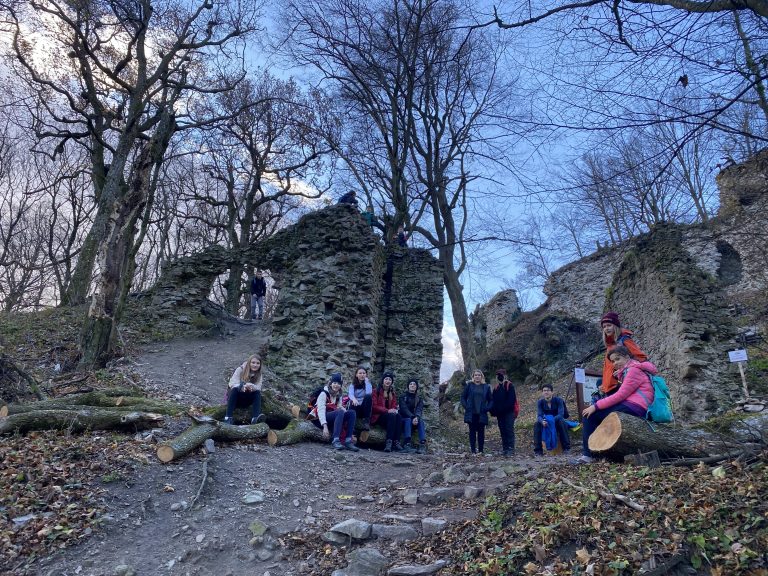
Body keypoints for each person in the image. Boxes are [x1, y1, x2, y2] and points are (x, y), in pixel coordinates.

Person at [578, 345, 656, 463]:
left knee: (590, 415)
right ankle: (599, 450)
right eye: (613, 361)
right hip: (635, 405)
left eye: (618, 359)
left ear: (627, 357)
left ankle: (588, 455)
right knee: (598, 416)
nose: (615, 363)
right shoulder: (631, 370)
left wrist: (595, 406)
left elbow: (620, 396)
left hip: (635, 406)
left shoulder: (633, 371)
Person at [600, 311, 647, 396]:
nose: (606, 328)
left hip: (620, 384)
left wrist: (624, 369)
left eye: (609, 325)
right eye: (604, 327)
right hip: (610, 388)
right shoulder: (610, 345)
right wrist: (604, 384)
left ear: (616, 326)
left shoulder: (624, 340)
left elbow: (641, 358)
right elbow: (608, 369)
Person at [315, 372, 359, 451]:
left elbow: (339, 406)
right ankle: (335, 440)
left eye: (339, 383)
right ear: (330, 383)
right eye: (334, 383)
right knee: (340, 412)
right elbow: (320, 410)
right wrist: (324, 427)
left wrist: (346, 412)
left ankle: (348, 440)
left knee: (351, 413)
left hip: (333, 415)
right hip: (321, 418)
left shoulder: (338, 395)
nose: (336, 385)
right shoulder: (324, 393)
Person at [225, 354, 265, 424]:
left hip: (247, 398)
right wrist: (242, 386)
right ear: (249, 363)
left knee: (257, 393)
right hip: (235, 398)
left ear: (260, 365)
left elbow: (258, 387)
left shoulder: (259, 374)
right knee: (234, 390)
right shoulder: (240, 369)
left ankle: (255, 418)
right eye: (253, 363)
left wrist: (252, 386)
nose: (255, 365)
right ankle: (228, 417)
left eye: (258, 363)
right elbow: (232, 383)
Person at [460, 369, 493, 455]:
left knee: (481, 432)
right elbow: (463, 397)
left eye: (479, 375)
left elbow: (491, 400)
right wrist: (466, 407)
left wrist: (487, 408)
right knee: (472, 432)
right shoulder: (469, 386)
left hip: (482, 412)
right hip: (471, 413)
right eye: (475, 375)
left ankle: (481, 450)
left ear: (481, 376)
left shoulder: (486, 387)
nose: (477, 376)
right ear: (473, 377)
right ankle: (473, 450)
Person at [533, 384, 571, 456]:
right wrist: (542, 421)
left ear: (552, 392)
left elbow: (561, 414)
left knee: (561, 422)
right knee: (537, 424)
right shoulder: (540, 402)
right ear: (542, 393)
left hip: (557, 421)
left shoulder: (559, 400)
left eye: (548, 390)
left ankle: (567, 448)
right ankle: (538, 451)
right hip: (546, 422)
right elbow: (539, 415)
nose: (546, 392)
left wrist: (551, 420)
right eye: (544, 391)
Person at [490, 369, 519, 457]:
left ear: (505, 375)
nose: (500, 376)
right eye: (498, 375)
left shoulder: (509, 385)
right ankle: (505, 448)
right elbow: (493, 401)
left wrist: (502, 409)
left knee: (509, 429)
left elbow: (511, 400)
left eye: (501, 375)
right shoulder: (496, 388)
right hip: (500, 414)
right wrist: (494, 411)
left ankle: (511, 448)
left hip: (509, 412)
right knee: (502, 430)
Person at [371, 371, 402, 452]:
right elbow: (374, 406)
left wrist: (394, 410)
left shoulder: (392, 393)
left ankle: (396, 442)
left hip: (389, 417)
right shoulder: (376, 391)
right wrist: (388, 410)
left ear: (391, 382)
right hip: (378, 417)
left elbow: (394, 405)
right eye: (386, 379)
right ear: (383, 380)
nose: (388, 381)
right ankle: (388, 442)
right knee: (392, 415)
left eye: (390, 380)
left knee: (398, 416)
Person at [399, 378, 426, 454]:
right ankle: (407, 444)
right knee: (408, 420)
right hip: (403, 420)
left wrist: (416, 417)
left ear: (416, 387)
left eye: (414, 384)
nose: (412, 385)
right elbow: (404, 409)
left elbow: (419, 409)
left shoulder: (419, 399)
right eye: (411, 384)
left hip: (414, 420)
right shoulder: (402, 397)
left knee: (420, 421)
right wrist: (412, 417)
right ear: (408, 386)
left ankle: (422, 444)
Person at [348, 367, 373, 431]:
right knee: (352, 401)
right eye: (360, 373)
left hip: (364, 409)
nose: (362, 375)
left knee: (368, 397)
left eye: (364, 373)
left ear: (366, 375)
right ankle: (351, 424)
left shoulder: (368, 384)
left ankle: (366, 422)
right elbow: (350, 394)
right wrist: (354, 399)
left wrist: (367, 382)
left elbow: (368, 393)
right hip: (356, 407)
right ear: (356, 375)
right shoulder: (352, 385)